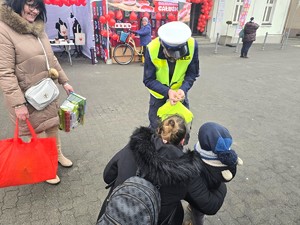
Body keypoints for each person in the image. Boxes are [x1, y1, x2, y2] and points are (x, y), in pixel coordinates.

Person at [97, 115, 226, 225]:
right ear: (183, 140)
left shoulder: (133, 146)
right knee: (177, 212)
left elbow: (107, 176)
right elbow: (210, 205)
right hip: (155, 220)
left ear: (159, 130)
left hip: (112, 216)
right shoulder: (186, 172)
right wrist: (221, 182)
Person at [0, 0, 74, 185]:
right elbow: (5, 72)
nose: (34, 11)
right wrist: (18, 103)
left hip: (46, 91)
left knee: (51, 125)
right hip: (27, 96)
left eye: (38, 7)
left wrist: (64, 81)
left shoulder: (38, 28)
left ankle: (57, 155)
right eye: (30, 5)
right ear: (18, 4)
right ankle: (44, 166)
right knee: (38, 131)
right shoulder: (5, 30)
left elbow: (52, 58)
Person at [143, 21, 200, 133]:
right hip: (158, 96)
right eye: (172, 55)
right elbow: (148, 79)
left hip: (180, 95)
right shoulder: (152, 48)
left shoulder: (192, 45)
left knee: (181, 130)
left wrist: (183, 89)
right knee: (156, 129)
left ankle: (178, 150)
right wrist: (167, 91)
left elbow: (192, 73)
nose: (176, 58)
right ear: (163, 45)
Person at [188, 122, 243, 225]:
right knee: (198, 212)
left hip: (202, 195)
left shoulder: (198, 158)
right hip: (213, 188)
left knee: (198, 215)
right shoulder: (225, 159)